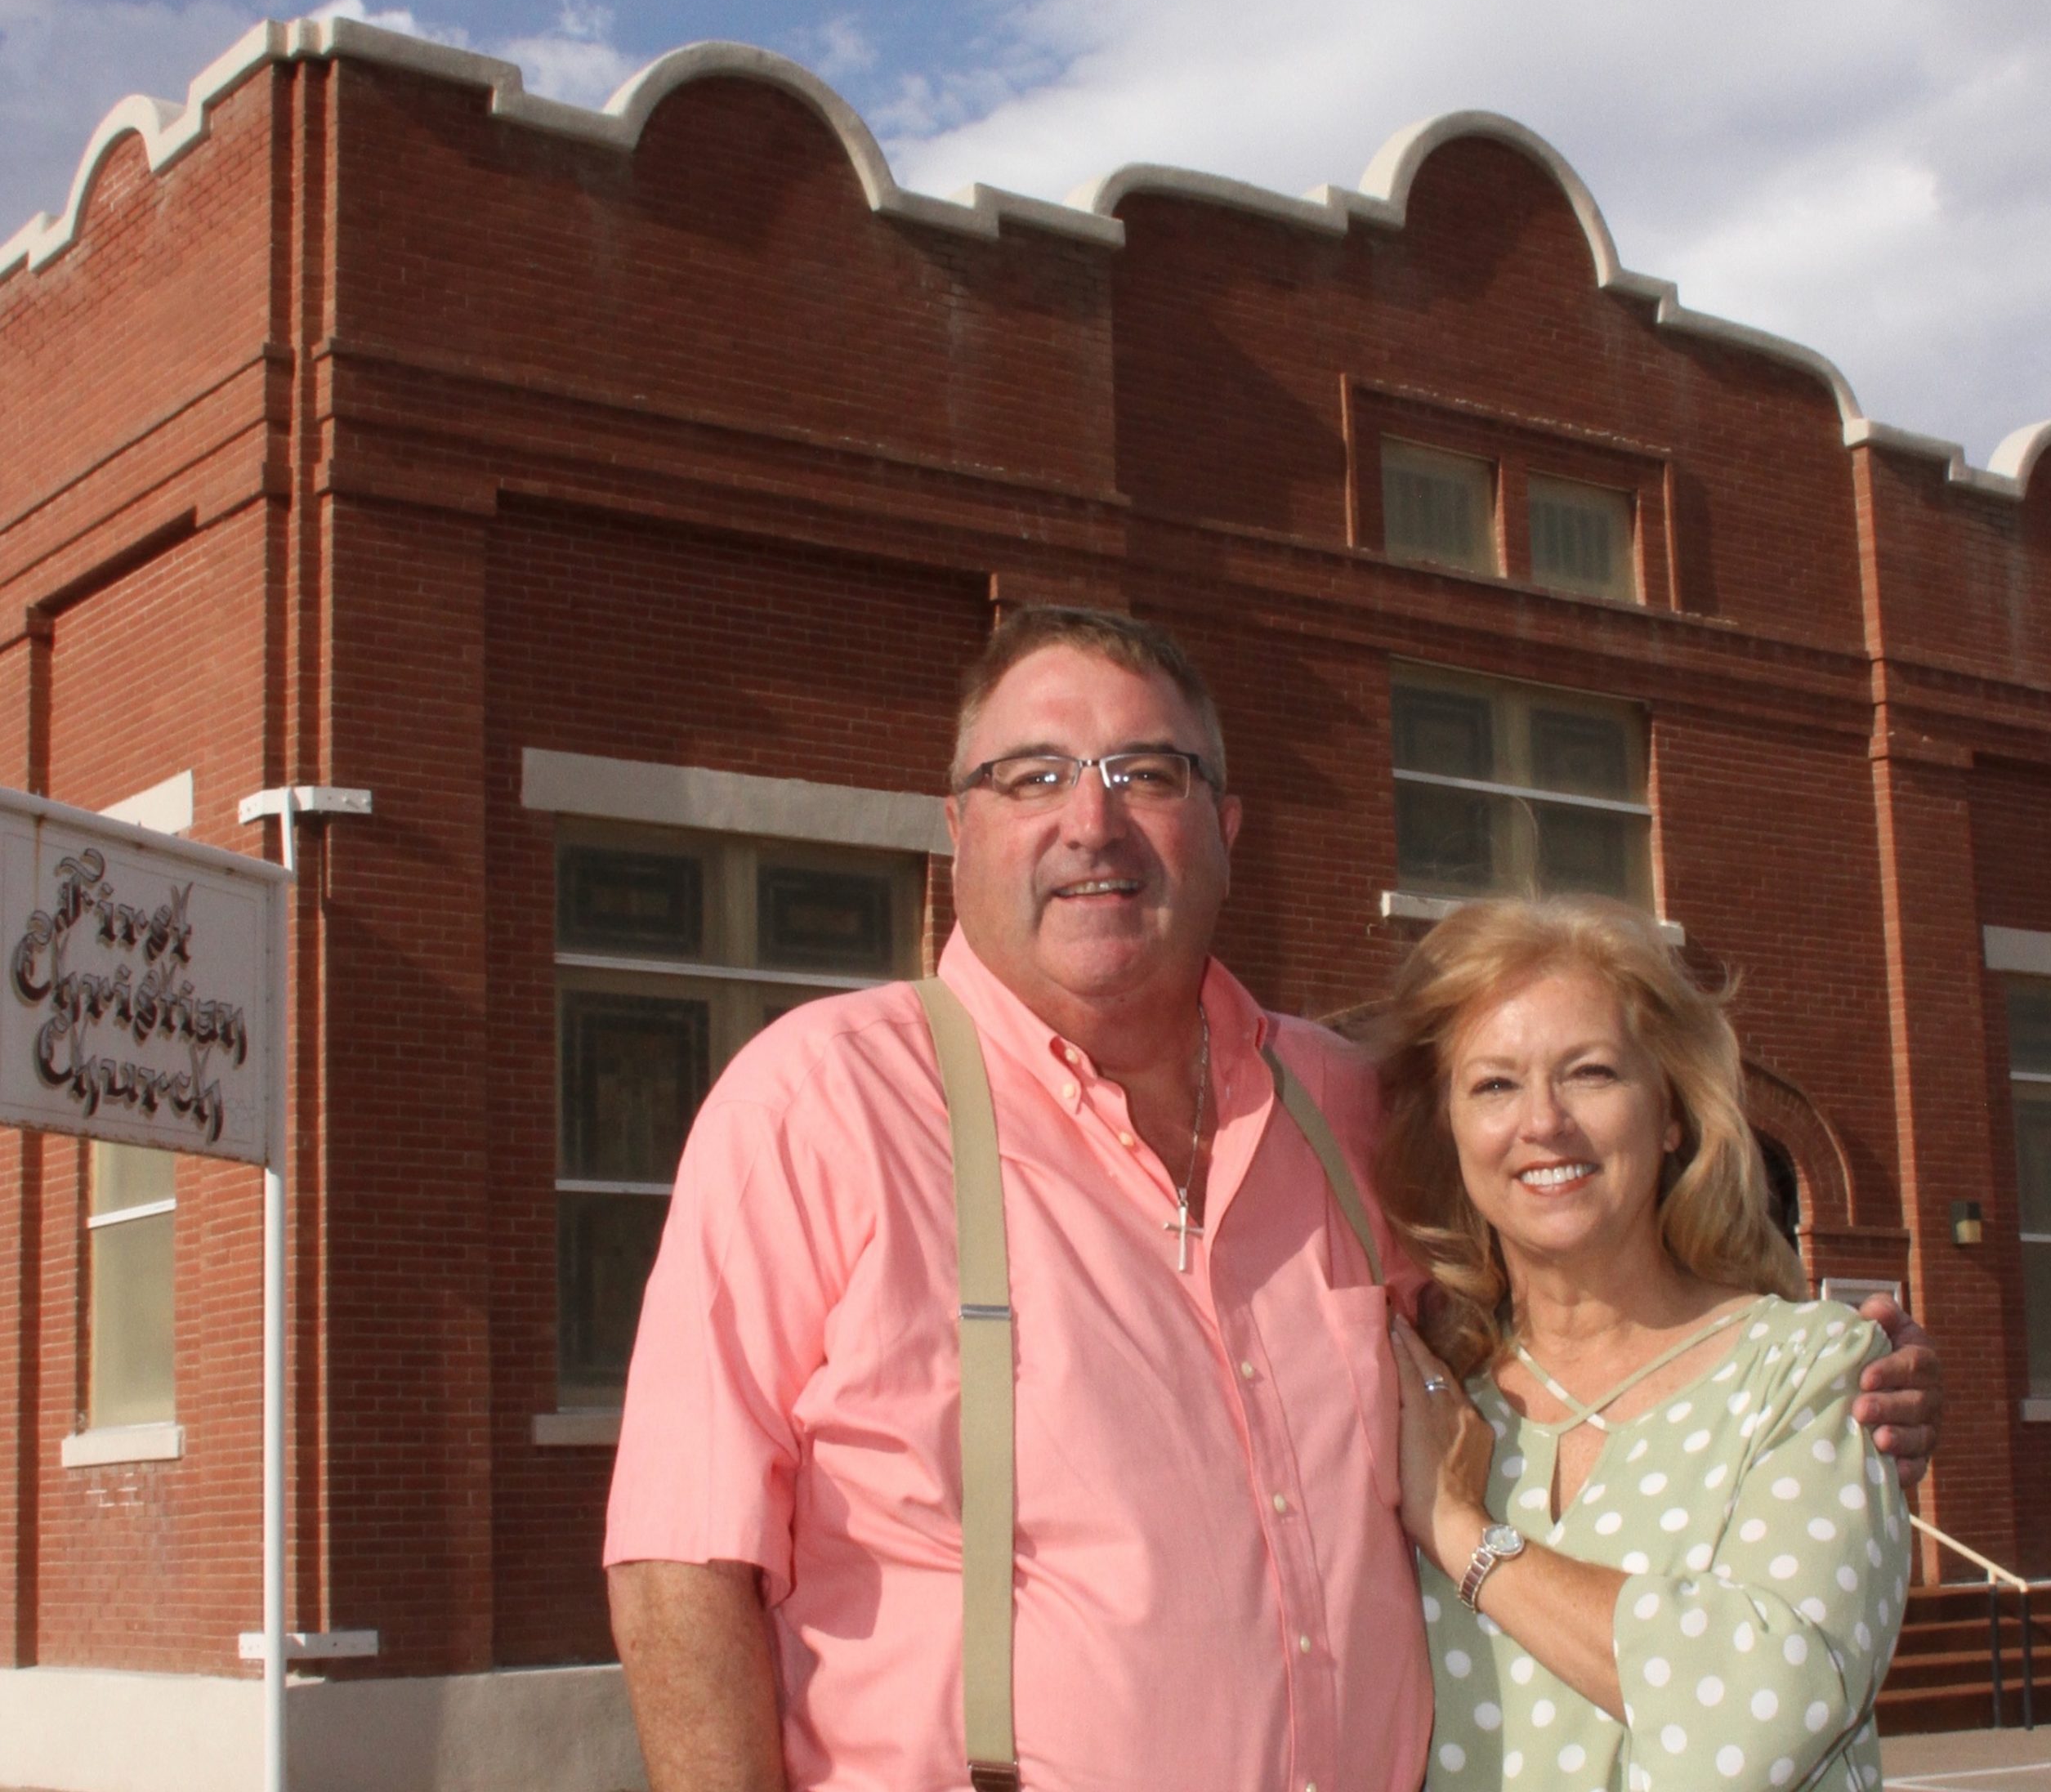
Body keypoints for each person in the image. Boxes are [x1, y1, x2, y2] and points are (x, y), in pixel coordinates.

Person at [604, 606, 1938, 1792]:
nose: (1092, 819)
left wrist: (1812, 1386)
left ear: (1225, 828)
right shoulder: (824, 1103)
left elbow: (1569, 1284)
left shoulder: (1351, 1106)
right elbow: (683, 1553)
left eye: (1148, 772)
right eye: (1033, 776)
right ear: (959, 831)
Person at [1376, 896, 1909, 1791]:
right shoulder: (1428, 1389)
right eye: (1494, 1084)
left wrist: (1463, 1533)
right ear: (1450, 1129)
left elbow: (1761, 1714)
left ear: (1669, 1112)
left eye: (1588, 1072)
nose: (1542, 1121)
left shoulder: (1805, 1370)